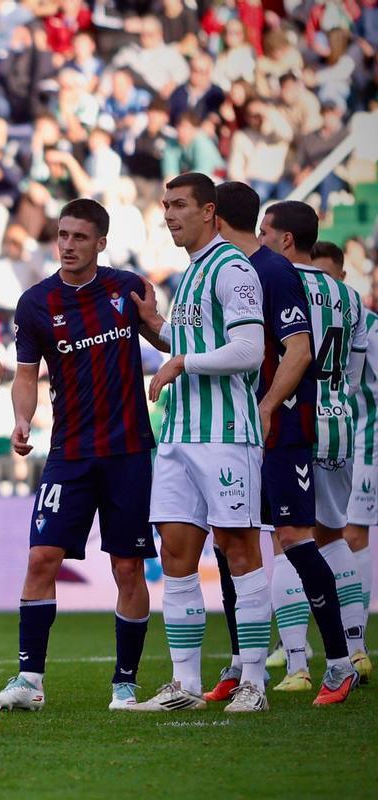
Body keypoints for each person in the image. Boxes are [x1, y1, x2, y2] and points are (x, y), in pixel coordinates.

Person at [0, 199, 158, 712]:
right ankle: (29, 682)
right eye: (62, 235)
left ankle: (124, 685)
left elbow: (169, 340)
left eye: (80, 237)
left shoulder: (126, 288)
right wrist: (20, 418)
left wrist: (156, 321)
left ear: (100, 242)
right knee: (41, 558)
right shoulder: (36, 302)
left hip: (128, 451)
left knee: (128, 568)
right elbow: (24, 374)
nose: (67, 244)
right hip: (70, 452)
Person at [203, 183, 356, 706]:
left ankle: (338, 662)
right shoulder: (222, 271)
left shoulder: (270, 270)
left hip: (281, 430)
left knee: (295, 537)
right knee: (230, 540)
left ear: (214, 217)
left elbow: (298, 350)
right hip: (237, 433)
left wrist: (266, 407)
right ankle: (245, 663)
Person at [131, 172, 270, 713]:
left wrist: (182, 360)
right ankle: (185, 686)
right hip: (178, 435)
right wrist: (155, 330)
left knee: (239, 549)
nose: (169, 214)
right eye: (165, 205)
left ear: (210, 212)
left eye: (180, 205)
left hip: (225, 435)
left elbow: (248, 351)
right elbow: (190, 344)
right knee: (176, 555)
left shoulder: (234, 268)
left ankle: (253, 682)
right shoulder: (190, 274)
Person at [258, 204, 369, 687]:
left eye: (265, 232)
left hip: (292, 423)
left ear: (285, 241)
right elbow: (357, 371)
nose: (258, 241)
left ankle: (299, 665)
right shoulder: (350, 296)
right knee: (331, 534)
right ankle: (357, 648)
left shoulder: (276, 285)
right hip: (338, 421)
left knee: (287, 541)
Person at [312, 240, 375, 683]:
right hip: (339, 436)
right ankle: (307, 649)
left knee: (346, 537)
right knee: (320, 537)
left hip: (360, 443)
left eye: (328, 279)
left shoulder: (366, 322)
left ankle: (353, 647)